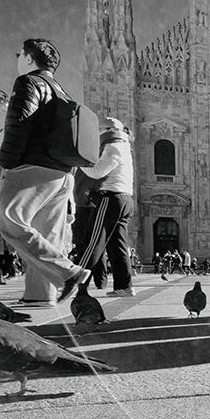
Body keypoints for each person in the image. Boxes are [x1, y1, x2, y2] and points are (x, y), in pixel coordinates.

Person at [0, 39, 91, 304]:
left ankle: (68, 273)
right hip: (62, 175)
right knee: (47, 233)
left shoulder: (29, 82)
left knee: (11, 223)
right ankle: (40, 295)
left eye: (20, 54)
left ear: (28, 58)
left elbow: (18, 127)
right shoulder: (62, 92)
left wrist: (8, 167)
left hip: (32, 169)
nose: (18, 59)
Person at [69, 117, 137, 297]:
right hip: (125, 199)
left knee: (93, 242)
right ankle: (125, 286)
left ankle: (76, 282)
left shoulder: (113, 146)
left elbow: (97, 172)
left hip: (111, 199)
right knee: (117, 245)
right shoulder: (125, 147)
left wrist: (80, 161)